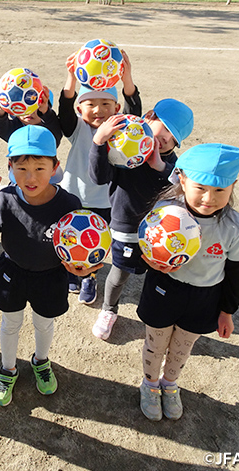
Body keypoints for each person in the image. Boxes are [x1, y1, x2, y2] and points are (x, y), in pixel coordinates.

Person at [0, 126, 101, 407]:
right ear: (10, 167)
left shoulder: (69, 204)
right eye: (21, 169)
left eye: (40, 168)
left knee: (44, 324)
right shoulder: (4, 198)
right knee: (11, 323)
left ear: (55, 167)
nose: (30, 178)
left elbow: (79, 249)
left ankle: (41, 361)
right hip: (12, 273)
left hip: (50, 277)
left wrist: (82, 270)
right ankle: (8, 369)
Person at [134, 143, 239, 421]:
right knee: (156, 344)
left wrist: (227, 311)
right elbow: (143, 250)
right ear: (182, 180)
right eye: (201, 188)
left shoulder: (234, 226)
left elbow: (236, 272)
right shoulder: (164, 213)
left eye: (220, 190)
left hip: (204, 298)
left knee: (182, 348)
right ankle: (150, 384)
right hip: (164, 290)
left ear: (233, 186)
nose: (209, 198)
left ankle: (170, 384)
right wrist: (149, 262)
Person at [89, 98, 194, 340]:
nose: (166, 138)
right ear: (148, 117)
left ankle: (158, 314)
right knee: (119, 275)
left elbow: (183, 190)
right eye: (165, 128)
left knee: (160, 276)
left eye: (173, 137)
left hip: (161, 233)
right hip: (126, 227)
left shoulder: (173, 164)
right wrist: (99, 142)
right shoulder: (124, 147)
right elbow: (98, 177)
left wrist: (160, 167)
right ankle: (108, 310)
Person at [58, 49, 141, 306]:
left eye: (106, 104)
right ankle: (72, 270)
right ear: (80, 108)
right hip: (74, 194)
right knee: (71, 236)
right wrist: (72, 77)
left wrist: (127, 79)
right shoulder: (77, 127)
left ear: (116, 108)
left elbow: (134, 110)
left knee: (96, 241)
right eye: (90, 104)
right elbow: (64, 109)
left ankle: (89, 276)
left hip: (105, 201)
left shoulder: (121, 129)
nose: (98, 110)